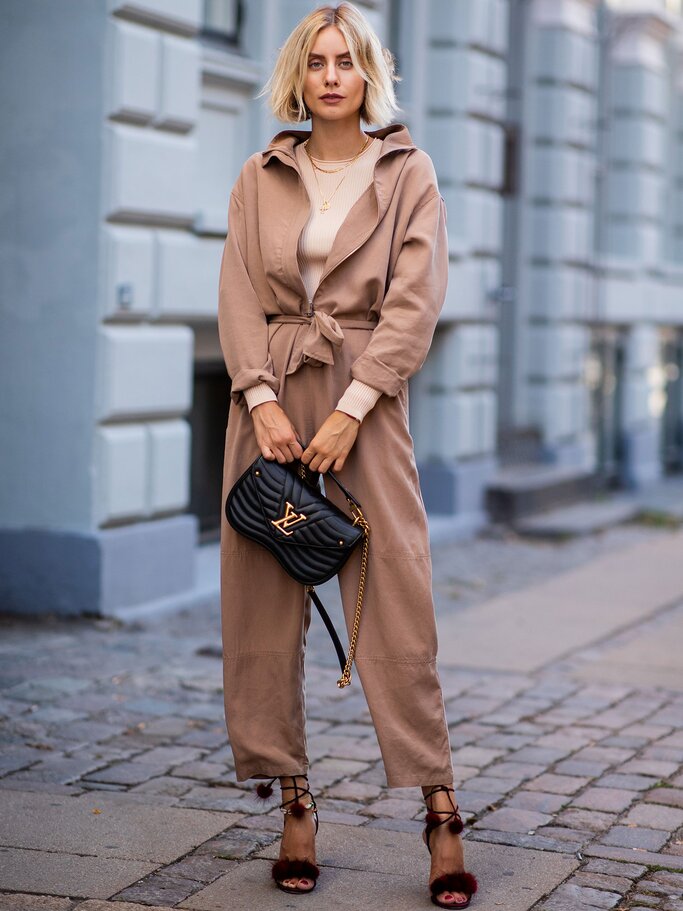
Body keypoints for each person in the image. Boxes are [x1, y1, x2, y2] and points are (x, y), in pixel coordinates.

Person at [217, 3, 478, 907]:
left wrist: (356, 407)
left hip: (364, 397)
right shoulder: (260, 172)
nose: (331, 75)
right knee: (263, 609)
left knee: (395, 597)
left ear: (370, 72)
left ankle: (440, 806)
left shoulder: (407, 171)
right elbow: (240, 291)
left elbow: (415, 299)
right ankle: (294, 799)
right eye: (317, 61)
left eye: (347, 60)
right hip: (274, 395)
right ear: (299, 73)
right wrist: (255, 399)